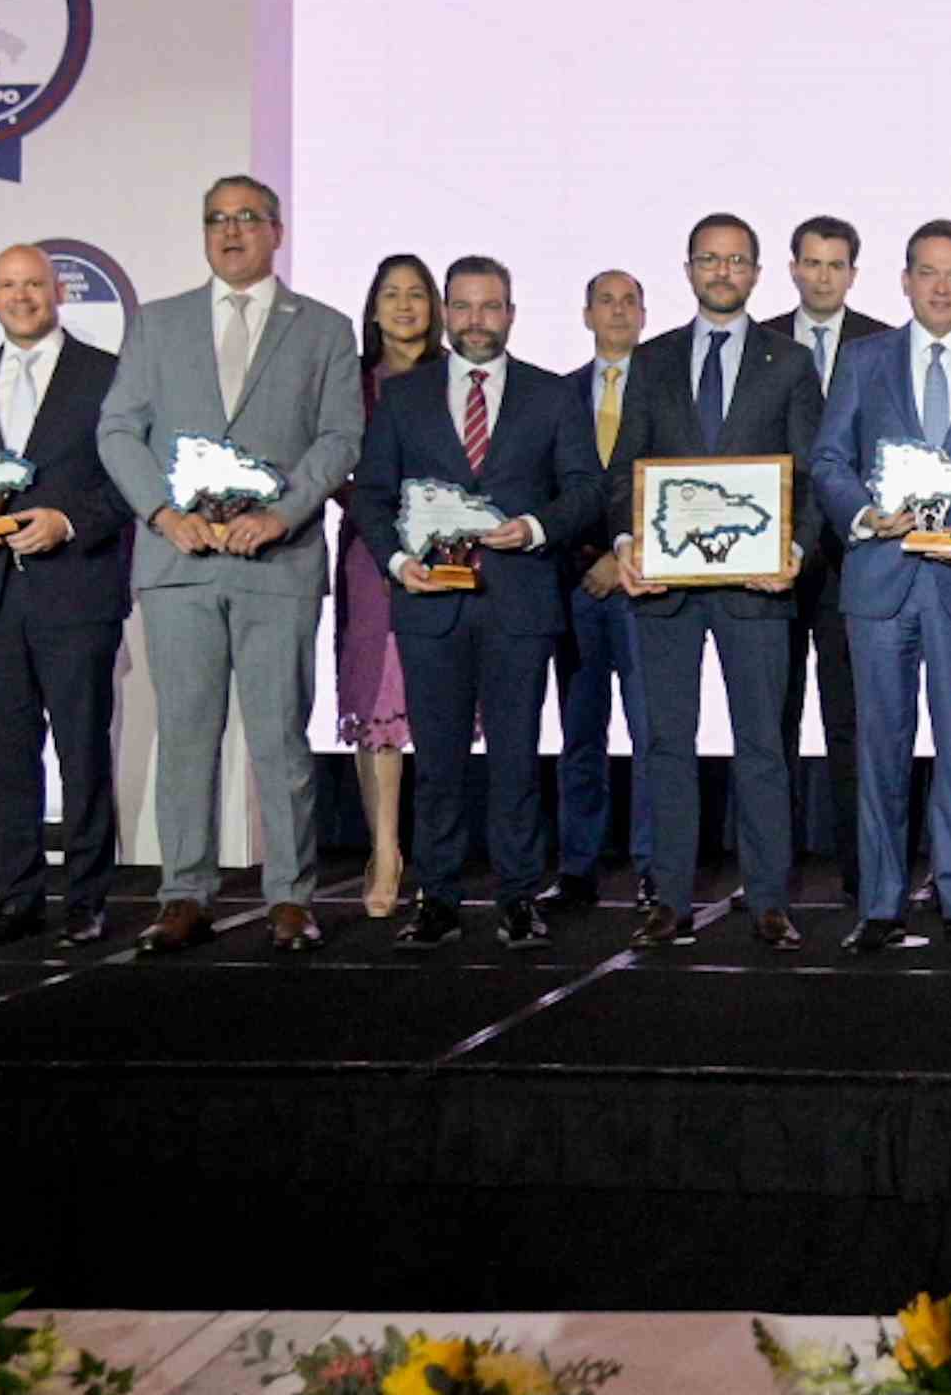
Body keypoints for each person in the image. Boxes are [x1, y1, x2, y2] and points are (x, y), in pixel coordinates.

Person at [95, 174, 368, 957]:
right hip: (179, 561)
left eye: (247, 218)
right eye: (217, 219)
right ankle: (184, 893)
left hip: (275, 561)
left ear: (276, 231)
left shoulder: (322, 327)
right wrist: (162, 513)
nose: (231, 231)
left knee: (280, 735)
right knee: (186, 733)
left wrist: (280, 513)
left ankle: (290, 895)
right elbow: (119, 430)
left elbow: (340, 437)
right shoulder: (158, 323)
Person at [354, 255, 602, 952]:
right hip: (431, 604)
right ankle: (438, 896)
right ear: (446, 313)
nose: (475, 321)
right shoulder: (405, 397)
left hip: (520, 601)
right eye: (461, 307)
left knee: (518, 759)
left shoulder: (552, 395)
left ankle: (519, 896)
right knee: (437, 762)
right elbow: (372, 496)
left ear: (512, 314)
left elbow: (586, 489)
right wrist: (400, 564)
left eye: (490, 307)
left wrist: (537, 528)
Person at [810, 219, 951, 957]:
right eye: (928, 272)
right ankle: (880, 903)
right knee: (879, 746)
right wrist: (866, 514)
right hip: (879, 581)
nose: (942, 286)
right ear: (904, 280)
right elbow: (829, 460)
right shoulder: (863, 360)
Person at [609, 212, 822, 954]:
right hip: (664, 589)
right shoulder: (652, 358)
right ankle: (669, 897)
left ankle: (769, 901)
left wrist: (793, 546)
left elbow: (810, 473)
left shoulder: (789, 362)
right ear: (689, 268)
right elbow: (622, 473)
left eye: (736, 261)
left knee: (762, 746)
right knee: (666, 743)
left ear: (757, 273)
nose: (722, 272)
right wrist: (628, 542)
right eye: (709, 259)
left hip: (756, 587)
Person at [0, 245, 129, 948]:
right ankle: (16, 896)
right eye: (8, 285)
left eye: (35, 285)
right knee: (7, 754)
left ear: (59, 292)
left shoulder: (107, 374)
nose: (22, 297)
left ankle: (86, 898)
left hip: (77, 590)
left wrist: (69, 522)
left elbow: (128, 484)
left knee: (82, 753)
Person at [775, 217, 893, 907]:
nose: (822, 275)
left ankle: (863, 876)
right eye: (811, 262)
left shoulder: (882, 345)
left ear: (854, 272)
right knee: (774, 720)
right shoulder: (756, 344)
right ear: (792, 267)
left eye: (836, 264)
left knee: (855, 721)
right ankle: (774, 877)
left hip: (857, 558)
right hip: (772, 559)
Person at [334, 256, 437, 917]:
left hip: (447, 557)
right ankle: (386, 851)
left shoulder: (459, 380)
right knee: (377, 704)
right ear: (372, 308)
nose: (404, 306)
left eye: (417, 294)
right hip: (371, 558)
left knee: (431, 707)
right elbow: (327, 459)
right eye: (391, 295)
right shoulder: (349, 384)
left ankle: (422, 849)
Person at [551, 267, 652, 912]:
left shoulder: (668, 391)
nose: (617, 312)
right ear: (586, 315)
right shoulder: (557, 397)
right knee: (580, 733)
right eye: (605, 302)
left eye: (628, 302)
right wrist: (588, 560)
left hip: (645, 581)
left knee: (652, 733)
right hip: (576, 583)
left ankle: (653, 865)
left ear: (644, 315)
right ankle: (577, 867)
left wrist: (626, 557)